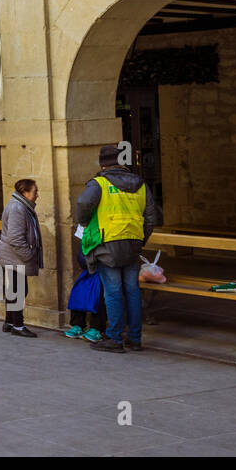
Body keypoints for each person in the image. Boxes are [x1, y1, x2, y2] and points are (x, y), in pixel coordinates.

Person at [77, 144, 158, 353]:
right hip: (132, 244)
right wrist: (141, 240)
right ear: (120, 161)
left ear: (102, 165)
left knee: (113, 292)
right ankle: (134, 338)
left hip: (108, 244)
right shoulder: (140, 184)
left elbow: (83, 204)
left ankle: (114, 338)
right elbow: (151, 217)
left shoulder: (99, 183)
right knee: (132, 291)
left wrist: (84, 222)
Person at [0, 178, 44, 337]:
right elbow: (15, 239)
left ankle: (9, 322)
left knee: (15, 290)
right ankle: (18, 325)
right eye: (35, 191)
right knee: (19, 291)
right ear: (25, 192)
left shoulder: (21, 205)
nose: (37, 195)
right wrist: (29, 256)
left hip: (13, 257)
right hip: (15, 257)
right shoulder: (18, 208)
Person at [64, 226, 107, 342]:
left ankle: (97, 327)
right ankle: (78, 324)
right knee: (79, 291)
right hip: (89, 261)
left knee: (99, 294)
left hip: (104, 260)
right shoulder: (86, 217)